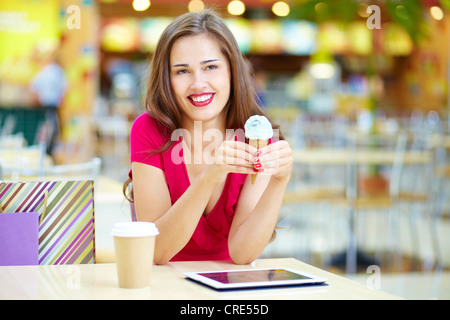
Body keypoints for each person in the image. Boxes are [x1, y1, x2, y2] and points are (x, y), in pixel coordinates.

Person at [124, 9, 293, 265]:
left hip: (226, 287)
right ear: (166, 79)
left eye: (211, 67)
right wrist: (209, 177)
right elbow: (156, 252)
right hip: (162, 283)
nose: (198, 84)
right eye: (182, 71)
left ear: (231, 71)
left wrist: (279, 181)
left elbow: (242, 254)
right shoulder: (148, 130)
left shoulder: (256, 138)